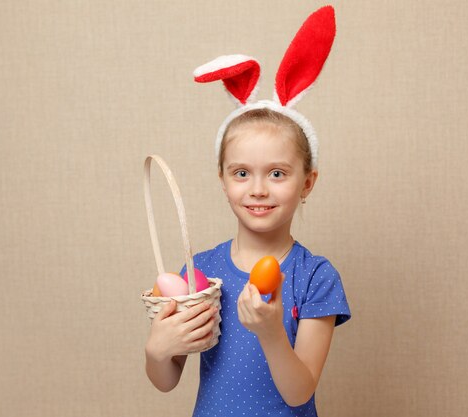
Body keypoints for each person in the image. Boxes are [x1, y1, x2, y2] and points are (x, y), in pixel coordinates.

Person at [145, 6, 351, 416]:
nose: (258, 189)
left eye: (277, 173)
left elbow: (299, 392)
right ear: (223, 181)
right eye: (242, 173)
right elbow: (166, 381)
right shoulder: (199, 271)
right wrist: (157, 349)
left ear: (307, 183)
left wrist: (272, 332)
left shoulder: (315, 276)